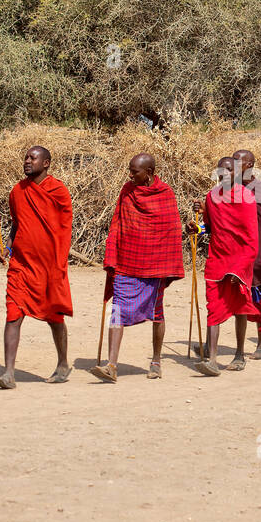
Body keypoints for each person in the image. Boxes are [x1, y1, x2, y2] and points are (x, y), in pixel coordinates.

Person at [93, 153, 184, 382]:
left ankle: (156, 360)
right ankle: (112, 365)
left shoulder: (165, 194)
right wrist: (112, 252)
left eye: (135, 172)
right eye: (130, 171)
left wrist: (167, 266)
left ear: (149, 173)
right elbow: (118, 222)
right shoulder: (127, 190)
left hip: (155, 265)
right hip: (127, 260)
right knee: (118, 310)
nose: (130, 175)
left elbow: (172, 230)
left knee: (157, 313)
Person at [0, 146, 73, 389]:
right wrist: (8, 247)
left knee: (54, 317)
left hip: (49, 266)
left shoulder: (58, 191)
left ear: (46, 163)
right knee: (13, 314)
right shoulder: (17, 191)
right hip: (21, 265)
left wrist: (58, 260)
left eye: (32, 158)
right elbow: (18, 223)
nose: (27, 161)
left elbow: (64, 227)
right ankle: (8, 373)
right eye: (26, 158)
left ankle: (62, 363)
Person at [189, 157, 261, 376]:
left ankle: (240, 354)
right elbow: (208, 227)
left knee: (240, 308)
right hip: (217, 259)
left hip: (239, 261)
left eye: (229, 170)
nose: (224, 174)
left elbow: (252, 240)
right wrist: (196, 228)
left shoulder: (247, 197)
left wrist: (241, 268)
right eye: (220, 170)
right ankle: (212, 360)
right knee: (213, 307)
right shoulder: (211, 196)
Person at [233, 149, 261, 361]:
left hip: (252, 254)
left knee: (255, 298)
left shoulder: (258, 188)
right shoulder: (228, 187)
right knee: (224, 298)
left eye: (237, 162)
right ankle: (210, 345)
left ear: (249, 165)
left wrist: (260, 256)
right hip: (233, 253)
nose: (232, 165)